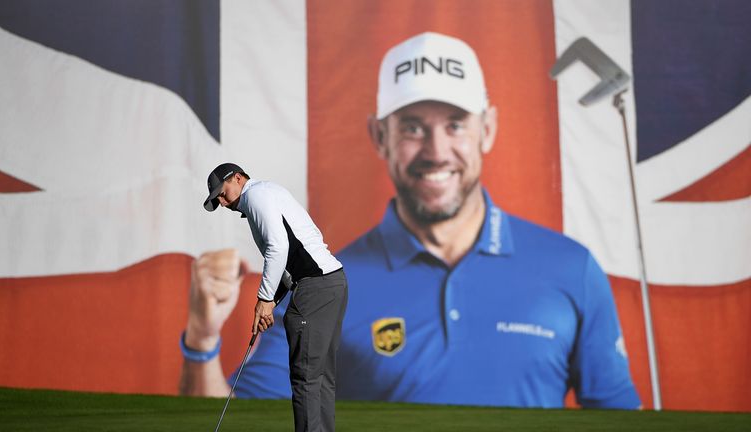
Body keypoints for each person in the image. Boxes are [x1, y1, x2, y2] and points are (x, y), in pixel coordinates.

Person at [183, 32, 640, 409]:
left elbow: (619, 417)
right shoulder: (322, 282)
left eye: (456, 123)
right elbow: (248, 416)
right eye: (413, 126)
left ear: (489, 128)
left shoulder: (571, 267)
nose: (437, 151)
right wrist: (203, 340)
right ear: (380, 135)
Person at [179, 163, 348, 432]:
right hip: (331, 283)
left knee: (306, 377)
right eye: (217, 200)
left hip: (316, 288)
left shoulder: (256, 195)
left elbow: (278, 247)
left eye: (222, 194)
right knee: (319, 376)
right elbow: (292, 260)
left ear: (237, 178)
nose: (222, 203)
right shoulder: (267, 194)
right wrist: (270, 302)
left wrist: (265, 299)